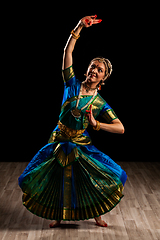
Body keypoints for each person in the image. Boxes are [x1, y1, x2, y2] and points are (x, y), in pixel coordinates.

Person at [18, 15, 127, 228]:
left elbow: (120, 128)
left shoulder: (99, 102)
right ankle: (59, 216)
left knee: (89, 178)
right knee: (56, 178)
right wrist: (79, 27)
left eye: (99, 70)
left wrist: (97, 125)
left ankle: (96, 215)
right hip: (58, 139)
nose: (94, 71)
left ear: (103, 78)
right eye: (92, 66)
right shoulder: (71, 83)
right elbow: (67, 52)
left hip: (81, 144)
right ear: (87, 69)